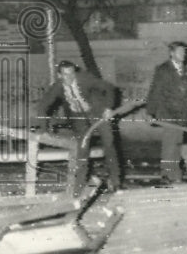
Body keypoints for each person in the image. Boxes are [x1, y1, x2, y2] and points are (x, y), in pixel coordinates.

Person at [35, 60, 122, 192]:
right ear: (59, 75)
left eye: (72, 74)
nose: (69, 78)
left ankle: (115, 181)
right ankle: (79, 186)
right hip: (78, 117)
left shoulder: (85, 79)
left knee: (109, 143)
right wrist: (43, 129)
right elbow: (42, 106)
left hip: (97, 112)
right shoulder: (57, 87)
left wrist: (108, 108)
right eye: (65, 75)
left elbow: (109, 88)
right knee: (82, 149)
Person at [145, 42, 187, 183]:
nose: (183, 55)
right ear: (172, 53)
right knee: (169, 144)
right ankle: (167, 175)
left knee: (178, 144)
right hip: (167, 112)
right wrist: (150, 112)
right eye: (180, 52)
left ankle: (175, 175)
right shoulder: (163, 70)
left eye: (184, 52)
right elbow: (155, 91)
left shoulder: (186, 71)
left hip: (182, 113)